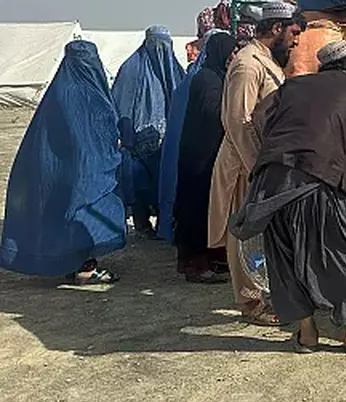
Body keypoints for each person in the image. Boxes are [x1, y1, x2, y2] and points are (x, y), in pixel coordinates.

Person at [230, 40, 346, 353]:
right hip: (324, 178)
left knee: (285, 256)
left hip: (272, 181)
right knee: (344, 251)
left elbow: (263, 122)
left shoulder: (290, 88)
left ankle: (306, 332)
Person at [208, 2, 304, 325]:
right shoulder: (248, 65)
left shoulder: (266, 61)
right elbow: (238, 121)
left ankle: (267, 292)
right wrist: (256, 167)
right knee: (243, 231)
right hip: (243, 162)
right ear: (277, 29)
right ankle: (250, 303)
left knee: (261, 232)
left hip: (262, 158)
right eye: (293, 33)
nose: (296, 41)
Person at [1, 41, 126, 284]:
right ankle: (86, 267)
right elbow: (104, 130)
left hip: (61, 169)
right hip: (90, 170)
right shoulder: (94, 93)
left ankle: (75, 263)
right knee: (88, 216)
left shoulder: (57, 92)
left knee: (67, 213)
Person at [174, 32, 238, 283]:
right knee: (196, 208)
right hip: (200, 155)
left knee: (208, 206)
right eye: (230, 52)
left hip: (207, 152)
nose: (233, 56)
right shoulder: (207, 79)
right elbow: (212, 112)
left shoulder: (215, 77)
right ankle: (196, 264)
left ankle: (209, 258)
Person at [111, 25, 185, 237]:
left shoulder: (175, 69)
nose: (161, 51)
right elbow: (120, 101)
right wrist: (127, 136)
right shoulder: (131, 68)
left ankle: (164, 222)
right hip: (138, 141)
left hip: (167, 141)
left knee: (166, 182)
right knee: (139, 183)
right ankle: (142, 223)